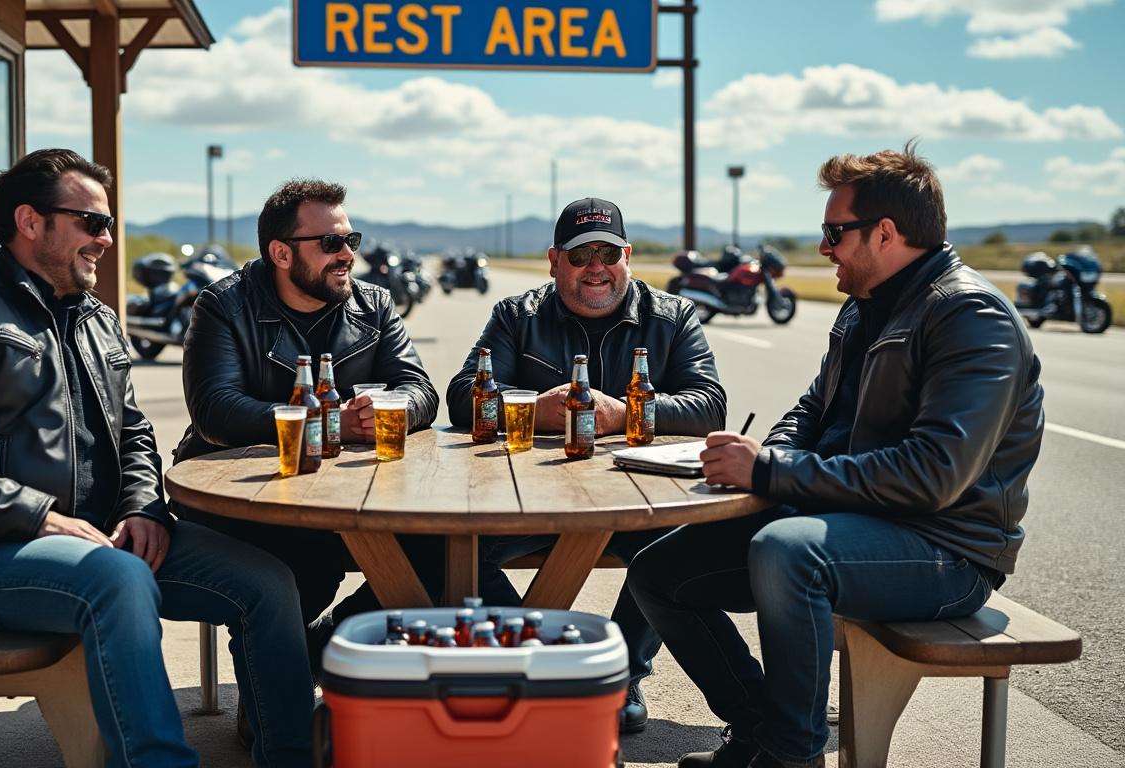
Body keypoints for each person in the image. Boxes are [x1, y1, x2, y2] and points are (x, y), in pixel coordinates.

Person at [0, 149, 314, 767]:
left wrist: (143, 509)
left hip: (108, 540)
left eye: (108, 224)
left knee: (268, 583)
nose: (107, 239)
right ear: (30, 221)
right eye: (92, 222)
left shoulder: (99, 319)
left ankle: (292, 755)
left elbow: (134, 432)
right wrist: (38, 517)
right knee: (118, 579)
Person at [627, 142, 1044, 768]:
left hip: (947, 549)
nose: (824, 249)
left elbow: (933, 476)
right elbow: (812, 409)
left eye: (834, 233)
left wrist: (770, 471)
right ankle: (759, 731)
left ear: (885, 233)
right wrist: (766, 459)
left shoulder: (969, 315)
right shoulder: (865, 306)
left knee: (789, 551)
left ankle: (793, 757)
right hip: (853, 519)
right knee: (659, 571)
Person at [445, 197, 727, 732]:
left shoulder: (673, 315)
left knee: (676, 550)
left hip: (636, 501)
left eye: (608, 253)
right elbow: (463, 396)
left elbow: (709, 404)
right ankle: (546, 660)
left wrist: (623, 412)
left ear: (628, 257)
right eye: (580, 255)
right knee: (445, 548)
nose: (596, 267)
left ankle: (621, 674)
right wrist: (533, 408)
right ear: (555, 261)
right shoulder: (516, 315)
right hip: (529, 498)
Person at [172, 178, 443, 652]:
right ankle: (283, 679)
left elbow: (420, 389)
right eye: (331, 243)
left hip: (350, 494)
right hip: (242, 497)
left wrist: (389, 409)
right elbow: (215, 410)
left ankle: (316, 653)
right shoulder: (225, 305)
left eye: (351, 240)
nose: (348, 254)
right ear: (281, 253)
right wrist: (329, 422)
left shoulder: (375, 304)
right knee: (305, 560)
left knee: (439, 552)